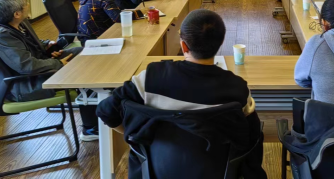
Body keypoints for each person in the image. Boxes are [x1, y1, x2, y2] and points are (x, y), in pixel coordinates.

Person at [97, 9, 267, 179]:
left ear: (183, 45)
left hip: (156, 171)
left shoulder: (149, 78)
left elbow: (105, 111)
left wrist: (134, 134)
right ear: (221, 43)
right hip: (217, 172)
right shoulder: (237, 89)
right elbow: (250, 140)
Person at [0, 0, 99, 141]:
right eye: (25, 3)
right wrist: (58, 63)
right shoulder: (2, 37)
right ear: (17, 13)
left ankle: (101, 111)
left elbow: (27, 46)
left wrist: (47, 46)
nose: (28, 4)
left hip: (37, 71)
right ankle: (91, 128)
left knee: (85, 53)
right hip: (27, 84)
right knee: (84, 69)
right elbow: (27, 66)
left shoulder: (17, 23)